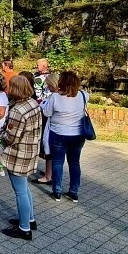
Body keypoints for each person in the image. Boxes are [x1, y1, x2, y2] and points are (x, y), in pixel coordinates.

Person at [0, 75, 43, 240]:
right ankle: (29, 219)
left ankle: (24, 229)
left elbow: (11, 137)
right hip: (30, 150)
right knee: (24, 188)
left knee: (20, 192)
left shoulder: (18, 110)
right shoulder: (32, 103)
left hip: (18, 154)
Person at [42, 71, 88, 202]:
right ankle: (74, 191)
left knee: (57, 162)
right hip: (78, 135)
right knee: (74, 163)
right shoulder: (84, 95)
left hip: (58, 134)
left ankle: (57, 191)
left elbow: (46, 112)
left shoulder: (55, 97)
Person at [32, 73, 59, 184]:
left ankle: (48, 176)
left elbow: (47, 112)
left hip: (52, 127)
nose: (47, 87)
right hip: (59, 129)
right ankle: (50, 173)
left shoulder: (55, 96)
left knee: (49, 152)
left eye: (48, 85)